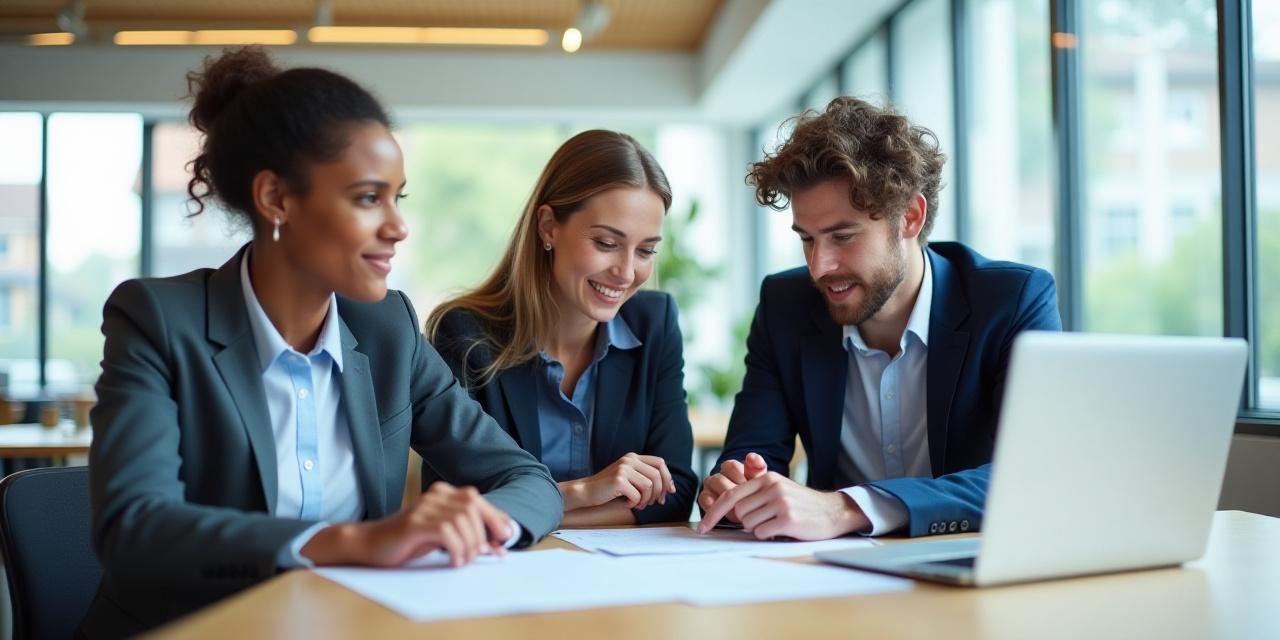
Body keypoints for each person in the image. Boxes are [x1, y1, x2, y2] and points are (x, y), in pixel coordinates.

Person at [82, 47, 562, 636]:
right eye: (367, 198)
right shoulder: (158, 319)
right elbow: (134, 530)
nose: (397, 226)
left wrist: (475, 527)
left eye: (397, 197)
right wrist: (355, 541)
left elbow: (528, 480)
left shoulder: (389, 329)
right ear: (277, 199)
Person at [697, 96, 1061, 540]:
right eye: (807, 240)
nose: (819, 266)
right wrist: (738, 488)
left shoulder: (1011, 301)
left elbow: (1031, 475)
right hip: (838, 579)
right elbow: (752, 454)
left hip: (968, 569)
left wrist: (847, 508)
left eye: (842, 237)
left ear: (909, 217)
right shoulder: (785, 305)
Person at [424, 130, 695, 527]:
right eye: (605, 243)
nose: (625, 272)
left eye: (646, 250)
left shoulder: (654, 324)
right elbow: (456, 504)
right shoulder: (465, 334)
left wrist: (537, 512)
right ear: (549, 226)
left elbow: (676, 492)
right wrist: (584, 492)